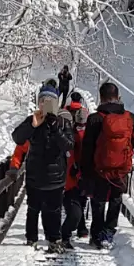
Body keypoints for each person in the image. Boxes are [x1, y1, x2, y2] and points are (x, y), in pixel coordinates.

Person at [11, 80, 74, 249]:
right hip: (35, 176)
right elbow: (17, 138)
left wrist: (55, 128)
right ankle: (31, 239)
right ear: (38, 102)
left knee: (54, 211)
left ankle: (54, 239)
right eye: (42, 100)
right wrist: (32, 125)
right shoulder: (32, 120)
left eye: (50, 101)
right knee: (33, 209)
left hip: (56, 178)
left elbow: (68, 145)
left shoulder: (62, 123)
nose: (45, 104)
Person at [81, 81, 134, 247]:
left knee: (98, 201)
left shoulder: (94, 119)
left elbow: (87, 147)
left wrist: (85, 171)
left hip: (99, 169)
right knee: (116, 199)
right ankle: (109, 233)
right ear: (118, 97)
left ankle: (96, 235)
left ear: (101, 98)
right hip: (121, 168)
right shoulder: (129, 117)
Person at [60, 89, 90, 247]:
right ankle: (81, 227)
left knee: (75, 200)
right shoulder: (85, 115)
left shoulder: (65, 113)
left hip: (70, 169)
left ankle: (76, 226)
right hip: (81, 170)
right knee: (81, 199)